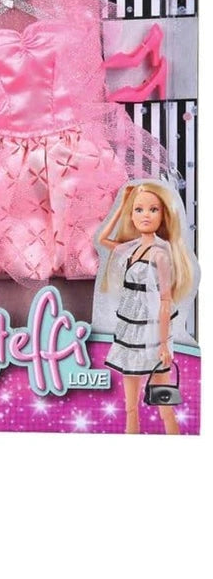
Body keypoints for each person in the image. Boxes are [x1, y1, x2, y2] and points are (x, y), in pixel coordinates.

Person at [99, 182, 196, 435]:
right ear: (132, 215)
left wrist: (163, 344)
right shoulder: (132, 248)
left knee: (164, 404)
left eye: (153, 210)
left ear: (163, 215)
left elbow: (165, 301)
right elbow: (101, 240)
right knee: (130, 408)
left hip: (152, 333)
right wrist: (121, 206)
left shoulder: (160, 254)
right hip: (130, 331)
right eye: (139, 210)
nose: (146, 215)